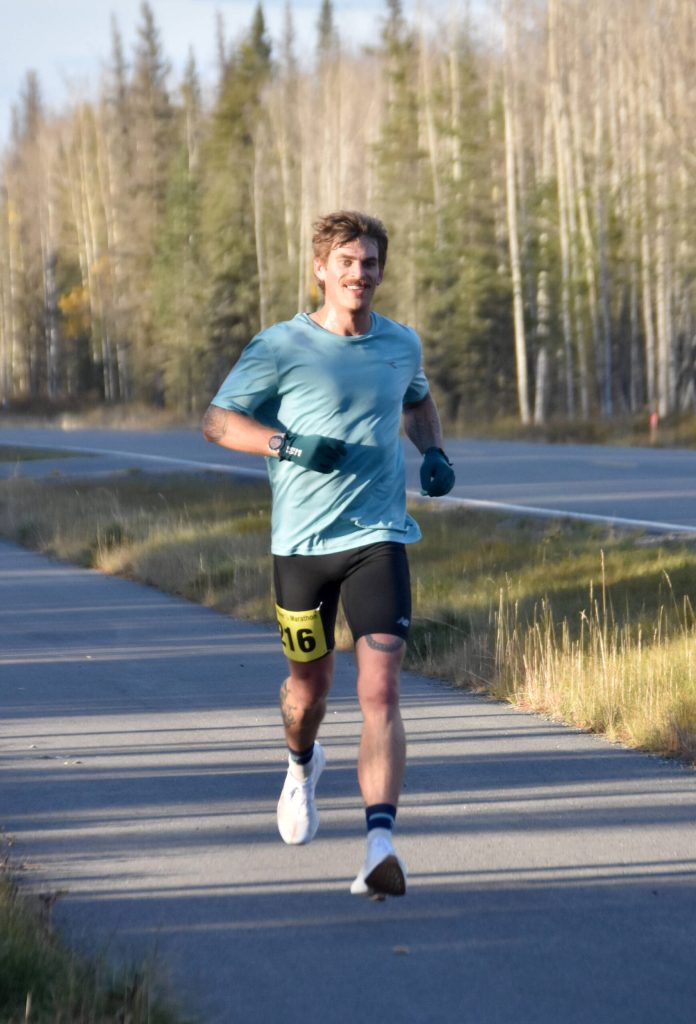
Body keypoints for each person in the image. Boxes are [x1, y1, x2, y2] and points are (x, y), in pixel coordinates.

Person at [202, 210, 454, 899]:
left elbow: (417, 401)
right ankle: (300, 764)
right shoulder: (281, 345)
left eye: (369, 263)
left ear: (381, 272)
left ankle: (379, 845)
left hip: (378, 538)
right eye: (346, 261)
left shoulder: (401, 343)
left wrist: (432, 450)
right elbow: (217, 421)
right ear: (321, 269)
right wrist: (286, 445)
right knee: (308, 691)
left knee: (382, 689)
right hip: (301, 548)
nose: (358, 273)